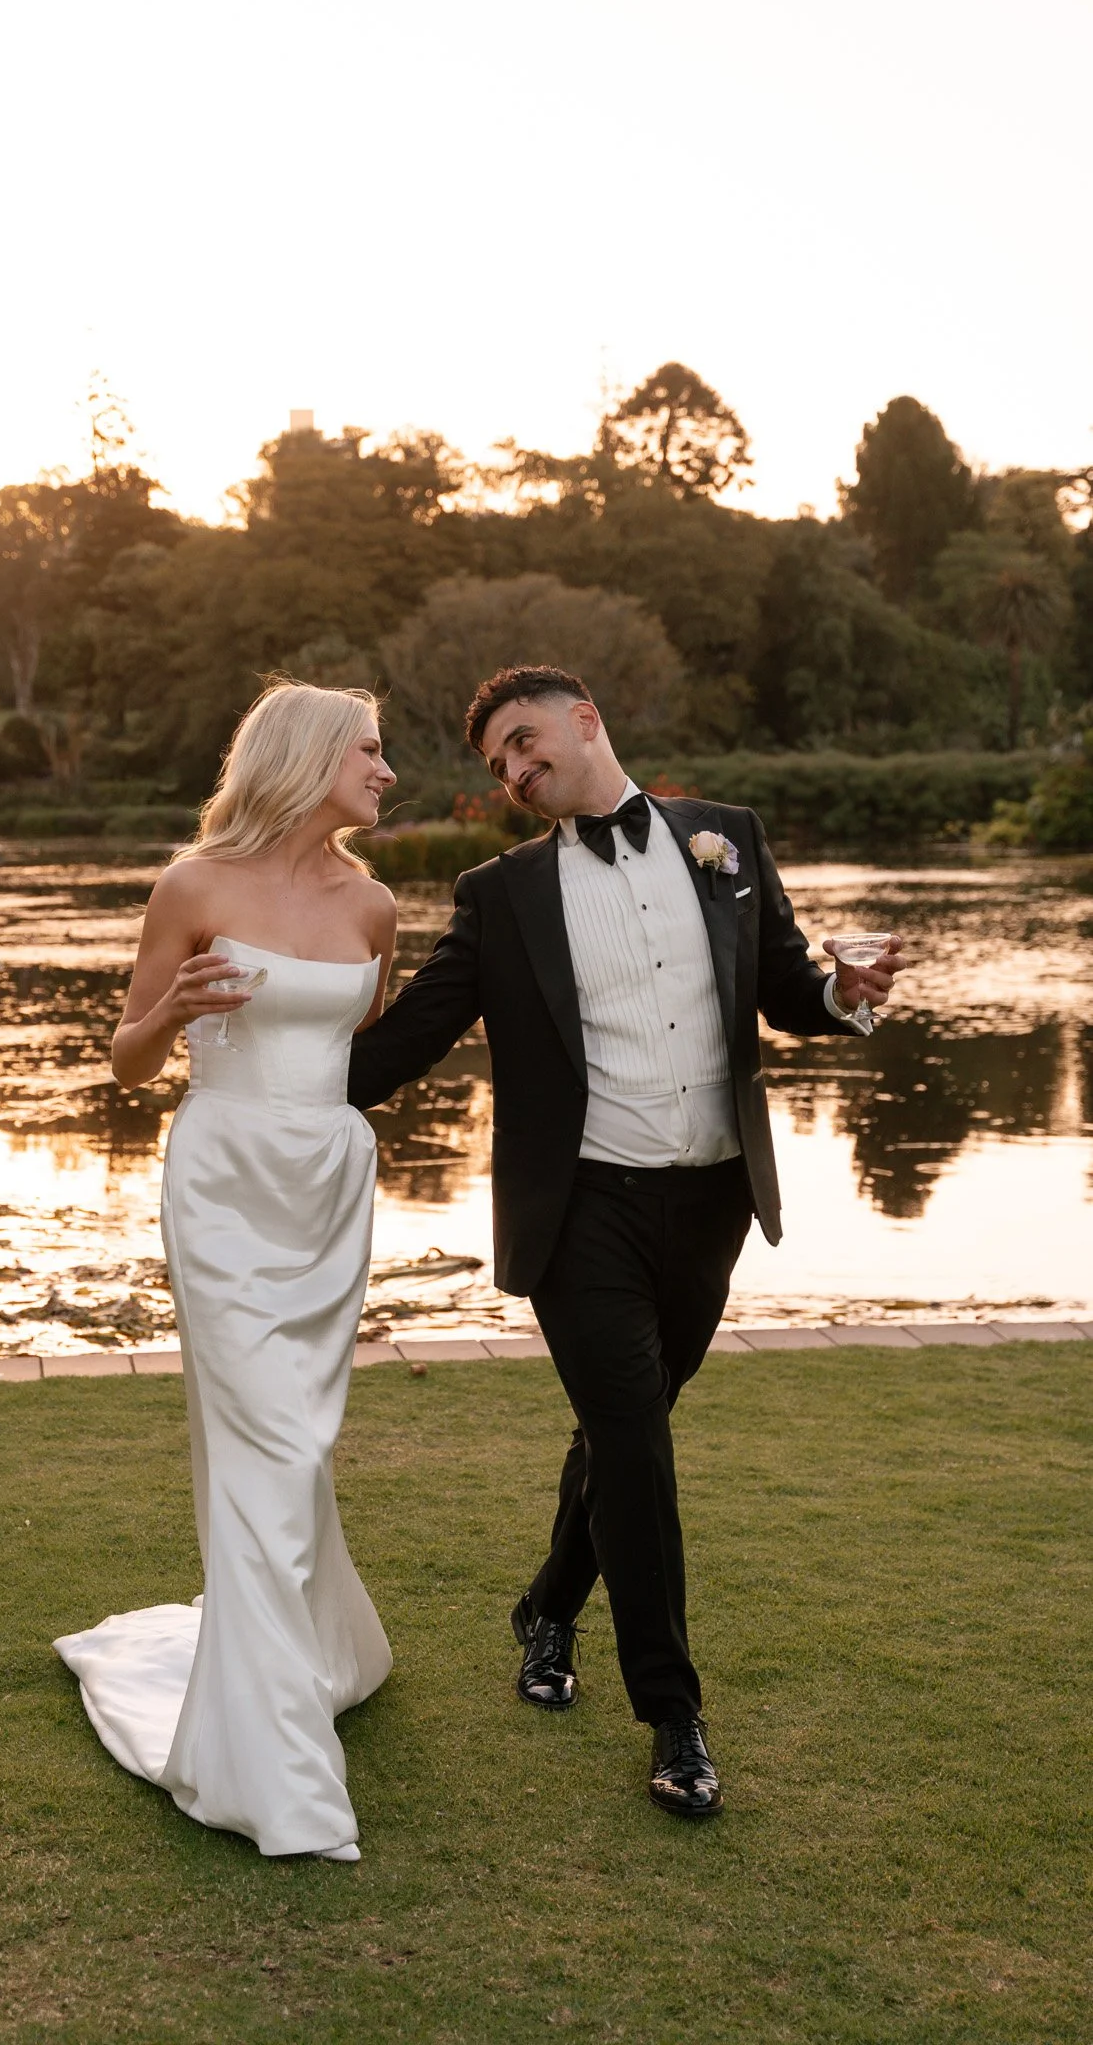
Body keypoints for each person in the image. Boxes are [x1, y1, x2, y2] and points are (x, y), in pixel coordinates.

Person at [348, 666, 905, 1821]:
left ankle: (549, 1603)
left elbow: (787, 990)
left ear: (586, 719)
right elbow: (399, 1045)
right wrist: (259, 1056)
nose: (511, 769)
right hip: (580, 1211)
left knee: (625, 1427)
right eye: (497, 761)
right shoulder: (500, 895)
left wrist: (847, 993)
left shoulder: (727, 839)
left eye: (522, 740)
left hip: (710, 1202)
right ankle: (675, 1718)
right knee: (637, 1441)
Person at [55, 681, 398, 1862]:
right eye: (370, 750)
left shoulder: (376, 903)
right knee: (271, 1437)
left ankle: (312, 1648)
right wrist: (175, 1014)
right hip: (224, 1177)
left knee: (299, 1434)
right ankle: (274, 1766)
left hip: (328, 1186)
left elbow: (350, 1046)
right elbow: (126, 1063)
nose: (386, 771)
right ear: (306, 756)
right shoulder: (192, 886)